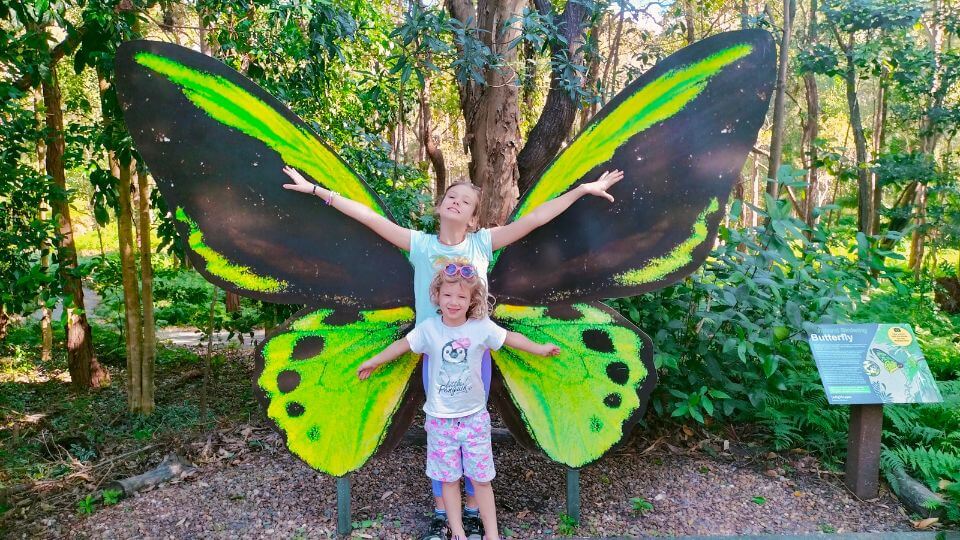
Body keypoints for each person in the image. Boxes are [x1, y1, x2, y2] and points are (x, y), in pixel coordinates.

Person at [281, 166, 622, 539]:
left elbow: (535, 220)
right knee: (441, 434)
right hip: (433, 353)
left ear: (473, 216)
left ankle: (474, 512)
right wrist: (317, 190)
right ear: (440, 206)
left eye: (465, 201)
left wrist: (582, 190)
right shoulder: (421, 245)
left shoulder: (481, 244)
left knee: (475, 431)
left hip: (478, 351)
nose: (456, 202)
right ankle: (444, 516)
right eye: (451, 197)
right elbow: (369, 217)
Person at [357, 265, 560, 540]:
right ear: (437, 296)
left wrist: (540, 349)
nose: (454, 302)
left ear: (472, 301)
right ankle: (459, 534)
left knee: (481, 479)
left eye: (461, 297)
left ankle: (492, 534)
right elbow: (401, 346)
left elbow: (511, 338)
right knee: (449, 480)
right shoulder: (429, 330)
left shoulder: (481, 328)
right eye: (448, 295)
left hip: (475, 419)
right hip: (440, 421)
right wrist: (373, 361)